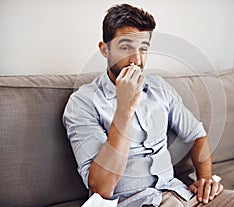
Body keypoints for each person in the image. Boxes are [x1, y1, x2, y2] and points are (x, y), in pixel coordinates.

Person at [63, 3, 223, 206]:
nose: (136, 60)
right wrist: (125, 108)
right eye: (126, 47)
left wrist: (205, 180)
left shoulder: (159, 88)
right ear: (104, 50)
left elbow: (196, 134)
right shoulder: (82, 103)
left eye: (143, 49)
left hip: (182, 195)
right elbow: (101, 188)